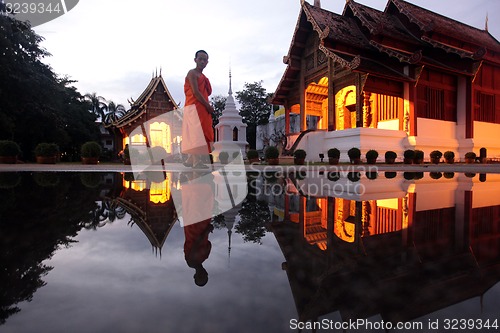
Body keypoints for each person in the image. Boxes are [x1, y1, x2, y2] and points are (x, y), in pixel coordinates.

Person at [182, 50, 215, 169]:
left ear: (207, 62)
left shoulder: (204, 77)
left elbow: (208, 92)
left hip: (202, 107)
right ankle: (196, 162)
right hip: (194, 107)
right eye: (200, 59)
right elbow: (195, 92)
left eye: (204, 60)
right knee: (196, 133)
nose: (202, 61)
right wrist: (208, 106)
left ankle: (191, 159)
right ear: (195, 60)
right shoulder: (192, 73)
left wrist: (206, 106)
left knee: (204, 131)